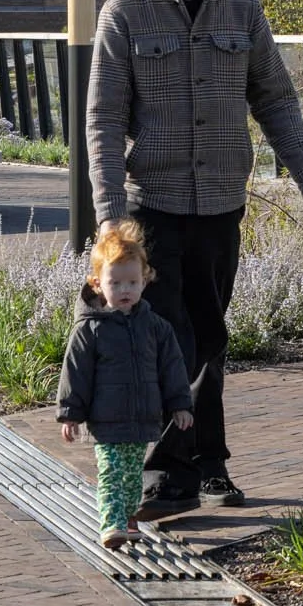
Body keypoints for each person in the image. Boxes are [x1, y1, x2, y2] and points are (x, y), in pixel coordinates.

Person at [85, 0, 303, 519]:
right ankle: (170, 478)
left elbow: (276, 100)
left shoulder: (242, 9)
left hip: (220, 202)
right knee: (171, 336)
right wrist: (110, 213)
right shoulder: (124, 14)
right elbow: (104, 120)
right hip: (155, 203)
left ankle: (210, 460)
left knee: (210, 335)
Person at [56, 221, 192, 548]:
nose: (125, 290)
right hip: (106, 419)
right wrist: (70, 413)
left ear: (145, 281)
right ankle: (111, 524)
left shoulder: (155, 327)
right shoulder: (90, 329)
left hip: (143, 417)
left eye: (132, 282)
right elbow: (76, 371)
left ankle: (129, 518)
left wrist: (179, 404)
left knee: (132, 477)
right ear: (98, 284)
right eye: (115, 283)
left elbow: (171, 367)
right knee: (111, 473)